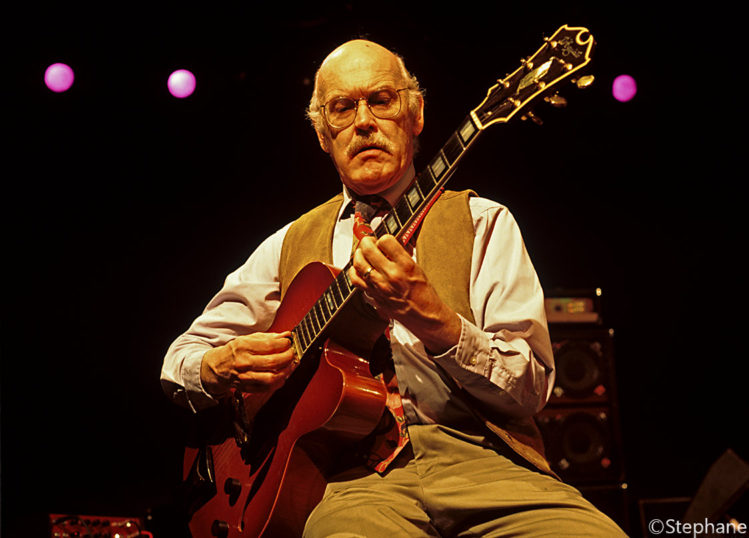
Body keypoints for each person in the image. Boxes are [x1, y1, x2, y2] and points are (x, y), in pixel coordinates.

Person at [161, 38, 626, 537]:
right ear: (323, 134)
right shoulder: (289, 244)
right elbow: (179, 359)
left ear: (416, 113)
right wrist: (214, 369)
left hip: (488, 464)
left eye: (381, 100)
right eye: (342, 107)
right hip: (351, 484)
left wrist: (436, 321)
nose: (364, 121)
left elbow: (531, 389)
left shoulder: (482, 221)